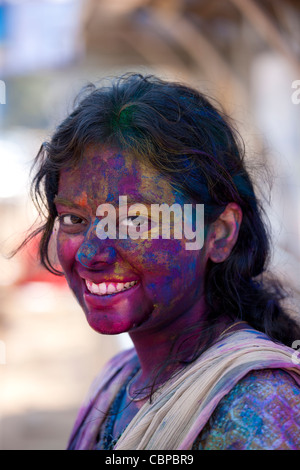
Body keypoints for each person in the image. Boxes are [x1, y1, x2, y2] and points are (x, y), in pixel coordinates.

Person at [22, 73, 300, 450]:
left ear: (218, 233)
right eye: (74, 219)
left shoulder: (255, 409)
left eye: (135, 221)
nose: (90, 254)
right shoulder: (120, 380)